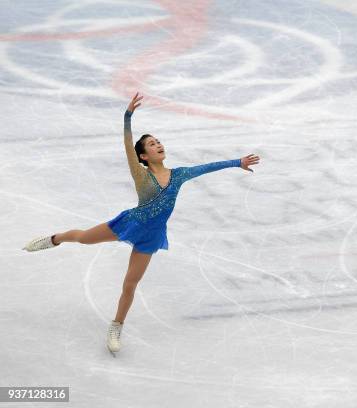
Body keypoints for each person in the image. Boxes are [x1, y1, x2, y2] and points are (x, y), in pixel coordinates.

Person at [22, 92, 260, 355]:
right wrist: (127, 117)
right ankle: (54, 239)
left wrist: (237, 162)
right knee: (83, 238)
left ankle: (116, 325)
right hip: (129, 224)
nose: (158, 145)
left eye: (158, 141)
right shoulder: (141, 174)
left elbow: (206, 167)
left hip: (151, 236)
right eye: (151, 144)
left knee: (130, 284)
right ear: (144, 156)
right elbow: (127, 146)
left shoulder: (178, 175)